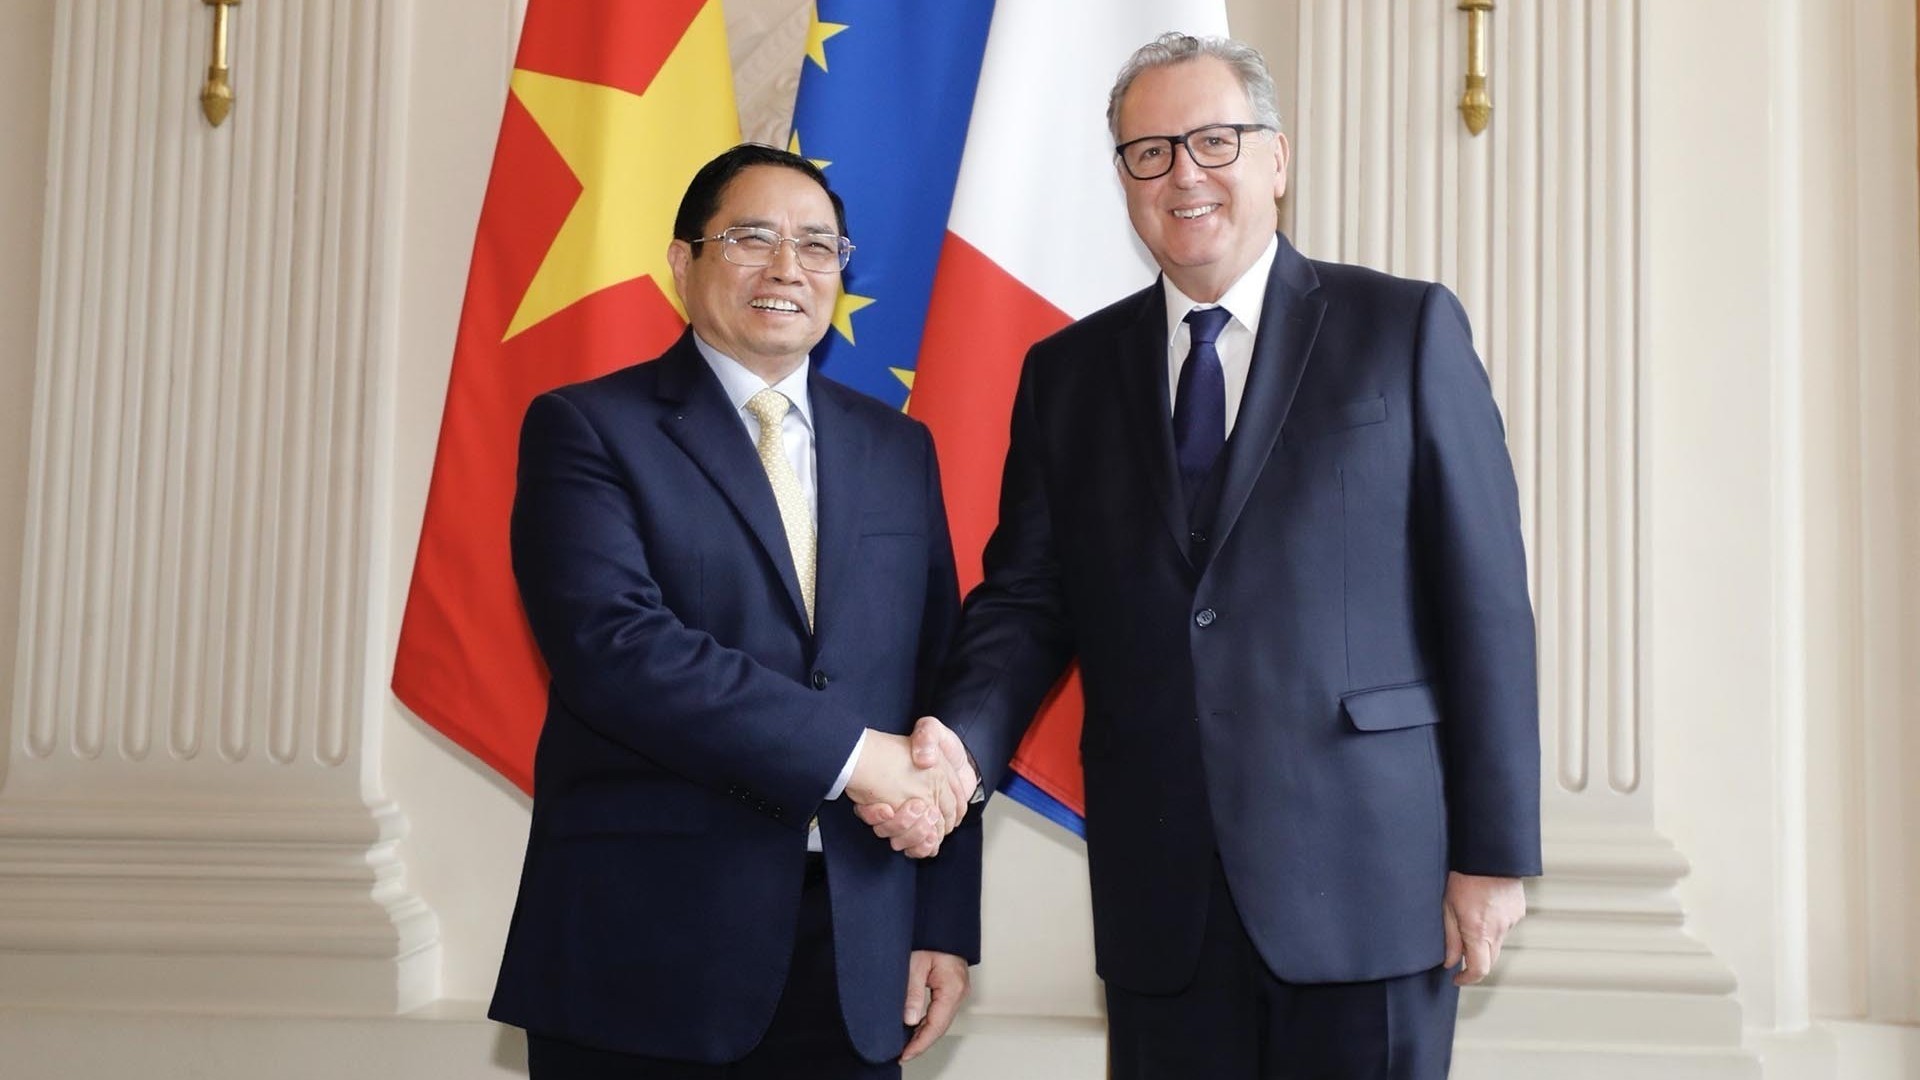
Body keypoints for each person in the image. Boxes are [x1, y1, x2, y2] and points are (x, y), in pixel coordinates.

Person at [859, 32, 1541, 1079]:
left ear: (1276, 158)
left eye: (1215, 140)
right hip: (1161, 894)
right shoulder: (1067, 373)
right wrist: (956, 749)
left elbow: (1483, 603)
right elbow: (1030, 601)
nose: (1184, 173)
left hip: (1371, 883)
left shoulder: (1401, 328)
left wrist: (1490, 857)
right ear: (1124, 179)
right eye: (1151, 151)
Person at [491, 143, 979, 1080]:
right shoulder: (587, 428)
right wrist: (855, 755)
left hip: (858, 950)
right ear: (684, 262)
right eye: (752, 238)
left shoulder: (897, 449)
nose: (788, 267)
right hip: (647, 954)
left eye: (818, 246)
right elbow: (616, 649)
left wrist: (943, 923)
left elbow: (938, 684)